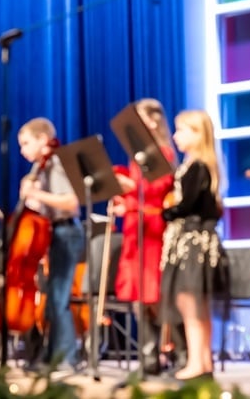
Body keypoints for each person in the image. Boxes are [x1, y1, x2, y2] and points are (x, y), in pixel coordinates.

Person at [109, 98, 180, 374]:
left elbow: (157, 190)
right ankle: (147, 356)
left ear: (153, 120)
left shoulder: (162, 152)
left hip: (151, 229)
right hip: (135, 230)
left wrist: (130, 192)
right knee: (140, 296)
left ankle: (165, 353)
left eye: (140, 118)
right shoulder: (137, 156)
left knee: (154, 294)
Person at [160, 109, 227, 382]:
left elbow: (186, 205)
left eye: (181, 130)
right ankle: (202, 360)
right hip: (194, 240)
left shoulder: (197, 167)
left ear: (198, 134)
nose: (176, 136)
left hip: (192, 242)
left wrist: (165, 212)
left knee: (191, 303)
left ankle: (197, 363)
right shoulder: (197, 166)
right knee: (196, 305)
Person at [17, 117, 83, 372]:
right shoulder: (42, 168)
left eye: (26, 143)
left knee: (58, 297)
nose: (22, 150)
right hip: (53, 235)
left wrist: (36, 194)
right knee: (52, 298)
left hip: (66, 232)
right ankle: (50, 356)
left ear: (43, 140)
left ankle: (67, 358)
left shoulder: (57, 163)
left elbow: (70, 203)